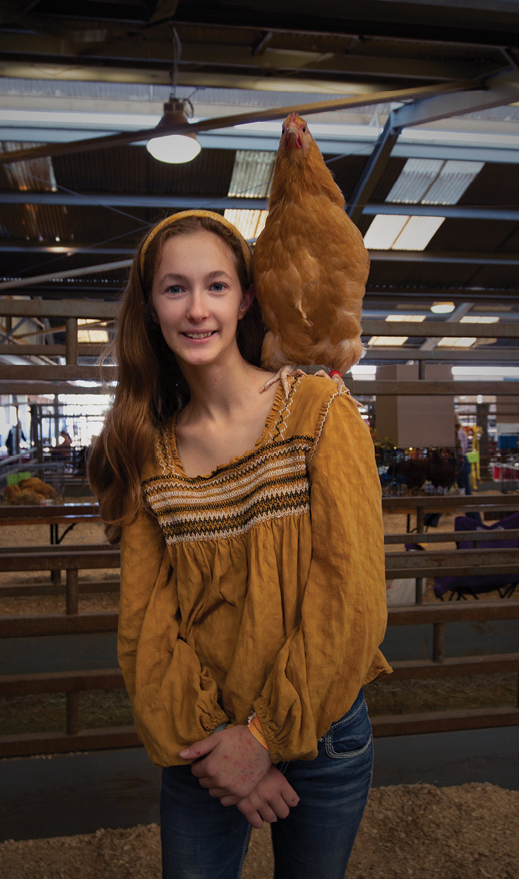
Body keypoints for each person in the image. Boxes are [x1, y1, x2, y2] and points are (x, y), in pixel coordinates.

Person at [88, 210, 390, 879]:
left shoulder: (317, 410)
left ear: (245, 298)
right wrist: (223, 748)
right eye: (175, 288)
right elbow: (146, 625)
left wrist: (264, 737)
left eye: (216, 286)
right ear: (151, 306)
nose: (197, 309)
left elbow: (351, 595)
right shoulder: (148, 453)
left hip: (323, 730)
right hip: (205, 741)